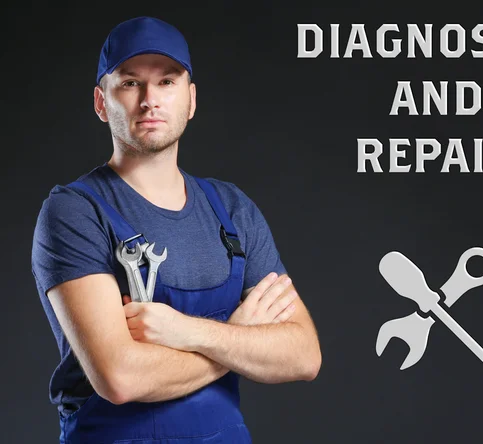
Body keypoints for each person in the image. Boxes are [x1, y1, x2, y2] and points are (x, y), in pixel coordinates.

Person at [31, 16, 321, 444]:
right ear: (100, 101)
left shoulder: (232, 210)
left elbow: (302, 355)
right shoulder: (75, 212)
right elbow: (120, 377)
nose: (150, 99)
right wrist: (239, 340)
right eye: (130, 83)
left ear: (191, 99)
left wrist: (186, 332)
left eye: (167, 82)